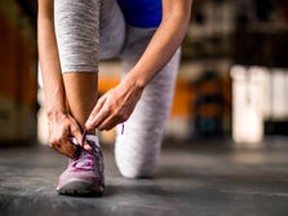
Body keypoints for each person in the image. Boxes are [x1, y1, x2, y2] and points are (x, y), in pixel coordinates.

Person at [38, 0, 193, 196]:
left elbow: (177, 14)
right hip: (102, 18)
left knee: (137, 166)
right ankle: (87, 148)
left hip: (154, 31)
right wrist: (54, 109)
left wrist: (133, 87)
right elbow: (46, 16)